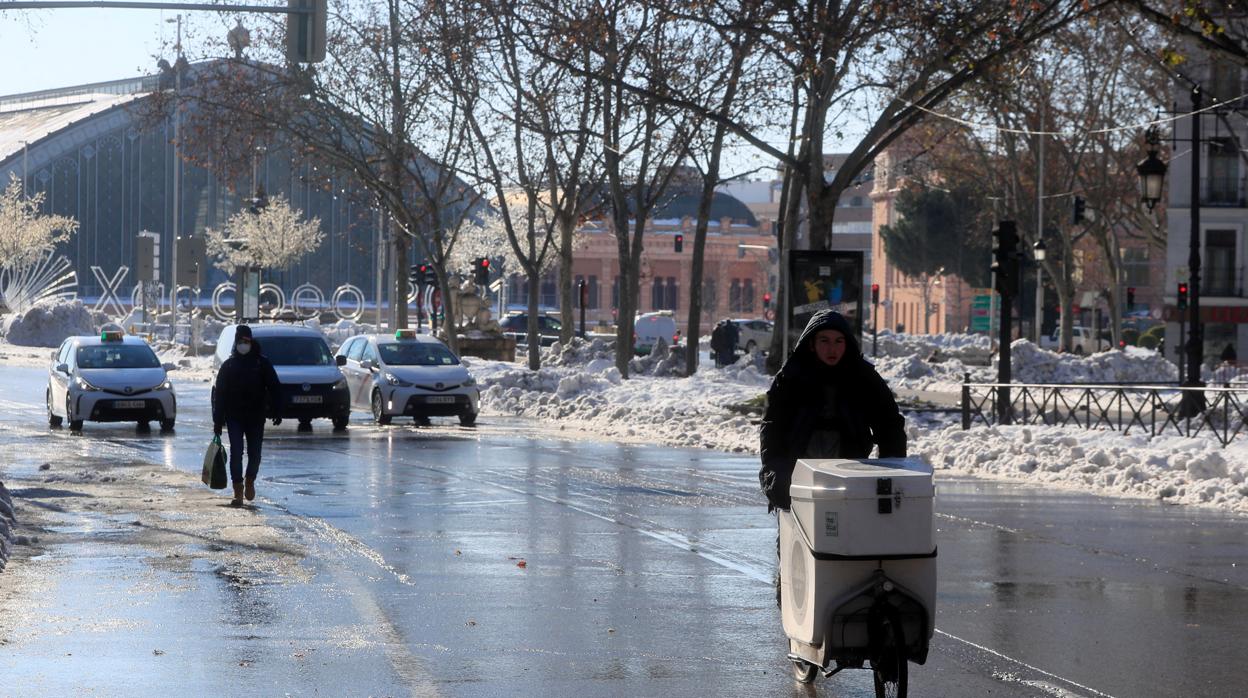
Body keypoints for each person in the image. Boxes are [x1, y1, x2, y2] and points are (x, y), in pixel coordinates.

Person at [759, 310, 907, 604]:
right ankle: (793, 605)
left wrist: (890, 469)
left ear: (847, 344)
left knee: (848, 546)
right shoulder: (791, 377)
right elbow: (772, 430)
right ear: (811, 344)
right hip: (799, 477)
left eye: (839, 341)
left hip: (849, 475)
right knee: (796, 550)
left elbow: (890, 424)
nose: (832, 349)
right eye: (824, 341)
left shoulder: (863, 376)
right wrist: (774, 473)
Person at [212, 325, 282, 505]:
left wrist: (277, 409)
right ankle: (238, 490)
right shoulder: (228, 366)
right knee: (236, 453)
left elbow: (274, 387)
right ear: (236, 343)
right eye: (240, 341)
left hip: (256, 416)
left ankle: (250, 479)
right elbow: (220, 395)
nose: (244, 345)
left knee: (255, 454)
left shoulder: (261, 363)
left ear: (251, 342)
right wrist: (218, 421)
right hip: (234, 417)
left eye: (247, 341)